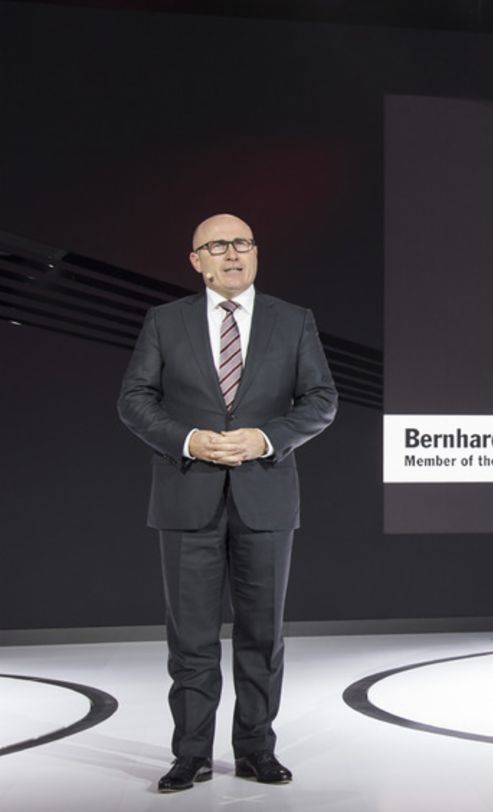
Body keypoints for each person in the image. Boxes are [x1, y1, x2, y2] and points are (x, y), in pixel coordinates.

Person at [117, 214, 337, 792]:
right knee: (190, 637)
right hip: (186, 495)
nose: (233, 254)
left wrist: (264, 438)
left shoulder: (294, 321)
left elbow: (321, 400)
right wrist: (189, 439)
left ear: (256, 254)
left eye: (243, 243)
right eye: (218, 245)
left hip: (266, 495)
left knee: (263, 634)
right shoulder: (165, 321)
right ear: (197, 260)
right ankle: (189, 754)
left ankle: (255, 750)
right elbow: (134, 400)